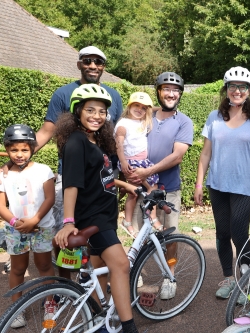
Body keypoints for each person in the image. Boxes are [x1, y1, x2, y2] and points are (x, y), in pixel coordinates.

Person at [0, 45, 123, 280]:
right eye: (87, 61)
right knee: (66, 234)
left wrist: (121, 173)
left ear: (104, 67)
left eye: (98, 62)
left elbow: (113, 136)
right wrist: (16, 163)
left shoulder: (113, 96)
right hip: (72, 175)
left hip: (103, 176)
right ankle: (65, 283)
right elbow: (46, 131)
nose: (93, 65)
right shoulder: (63, 94)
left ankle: (97, 279)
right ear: (79, 64)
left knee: (103, 231)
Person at [53, 84, 139, 333]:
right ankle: (128, 327)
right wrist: (69, 221)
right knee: (121, 265)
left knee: (99, 271)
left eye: (101, 111)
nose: (96, 116)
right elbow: (71, 184)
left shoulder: (96, 140)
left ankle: (98, 319)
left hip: (105, 215)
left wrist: (125, 185)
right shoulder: (76, 141)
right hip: (94, 217)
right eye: (90, 110)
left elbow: (101, 176)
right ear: (77, 111)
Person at [194, 66, 250, 299]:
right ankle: (229, 277)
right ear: (226, 89)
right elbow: (206, 153)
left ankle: (246, 277)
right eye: (233, 86)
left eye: (242, 87)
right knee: (222, 233)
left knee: (239, 233)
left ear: (249, 90)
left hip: (244, 187)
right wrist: (198, 184)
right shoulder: (214, 117)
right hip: (217, 185)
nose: (237, 91)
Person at [128, 72, 194, 300]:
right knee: (138, 233)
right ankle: (136, 272)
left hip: (168, 189)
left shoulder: (184, 121)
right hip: (141, 188)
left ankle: (170, 275)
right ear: (158, 91)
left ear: (180, 94)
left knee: (169, 238)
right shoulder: (144, 115)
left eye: (175, 90)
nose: (171, 93)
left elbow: (177, 156)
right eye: (166, 88)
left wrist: (148, 171)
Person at [0, 124, 57, 328]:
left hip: (41, 227)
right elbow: (0, 205)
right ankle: (17, 308)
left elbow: (50, 198)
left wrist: (34, 220)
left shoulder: (43, 170)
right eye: (14, 150)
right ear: (7, 149)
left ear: (32, 149)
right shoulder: (3, 175)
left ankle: (49, 303)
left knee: (45, 266)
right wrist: (16, 223)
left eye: (24, 149)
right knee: (18, 268)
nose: (19, 154)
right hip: (16, 230)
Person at [115, 91, 162, 237]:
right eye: (136, 105)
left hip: (142, 161)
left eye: (143, 107)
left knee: (135, 192)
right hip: (131, 162)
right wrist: (123, 162)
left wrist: (160, 108)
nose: (139, 109)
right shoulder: (123, 124)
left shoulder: (142, 120)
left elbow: (151, 109)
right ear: (129, 106)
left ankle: (128, 222)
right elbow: (119, 145)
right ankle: (151, 216)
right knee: (149, 188)